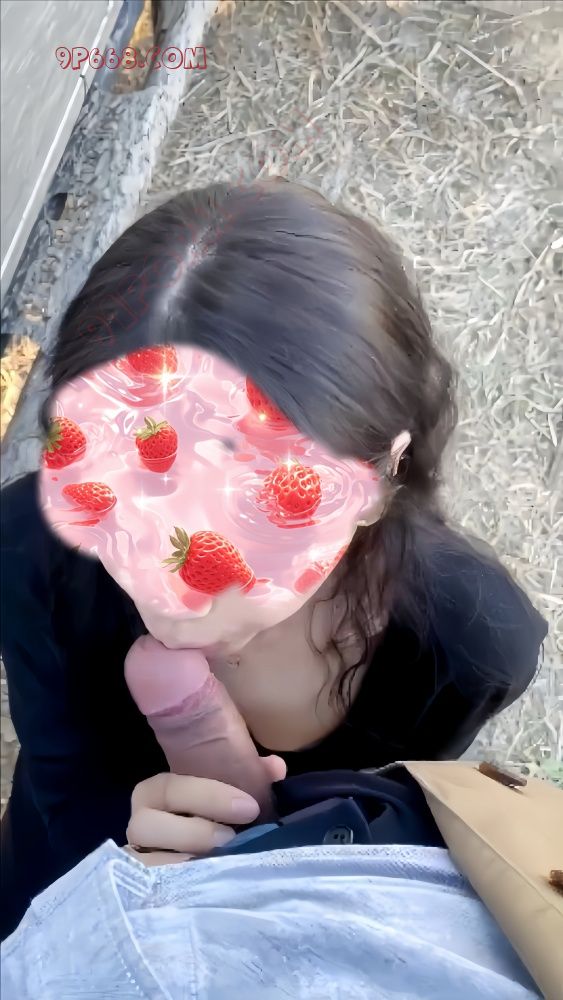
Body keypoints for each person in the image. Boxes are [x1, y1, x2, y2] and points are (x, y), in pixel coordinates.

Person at [0, 180, 547, 939]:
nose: (170, 601)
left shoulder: (468, 645)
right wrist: (124, 854)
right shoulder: (34, 546)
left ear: (379, 477)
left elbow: (397, 817)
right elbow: (60, 781)